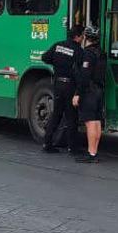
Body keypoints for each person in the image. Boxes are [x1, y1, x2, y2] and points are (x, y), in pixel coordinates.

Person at [40, 24, 84, 153]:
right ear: (77, 37)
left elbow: (45, 58)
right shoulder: (78, 51)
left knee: (56, 115)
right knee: (71, 118)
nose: (83, 38)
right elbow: (79, 71)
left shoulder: (58, 45)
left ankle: (47, 144)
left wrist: (57, 64)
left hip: (58, 84)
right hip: (70, 86)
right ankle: (72, 147)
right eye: (82, 36)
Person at [73, 26, 106, 163]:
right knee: (97, 122)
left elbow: (84, 76)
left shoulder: (87, 54)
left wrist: (77, 94)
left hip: (89, 91)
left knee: (90, 123)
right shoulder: (101, 53)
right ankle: (94, 152)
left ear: (86, 38)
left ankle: (91, 154)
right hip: (99, 90)